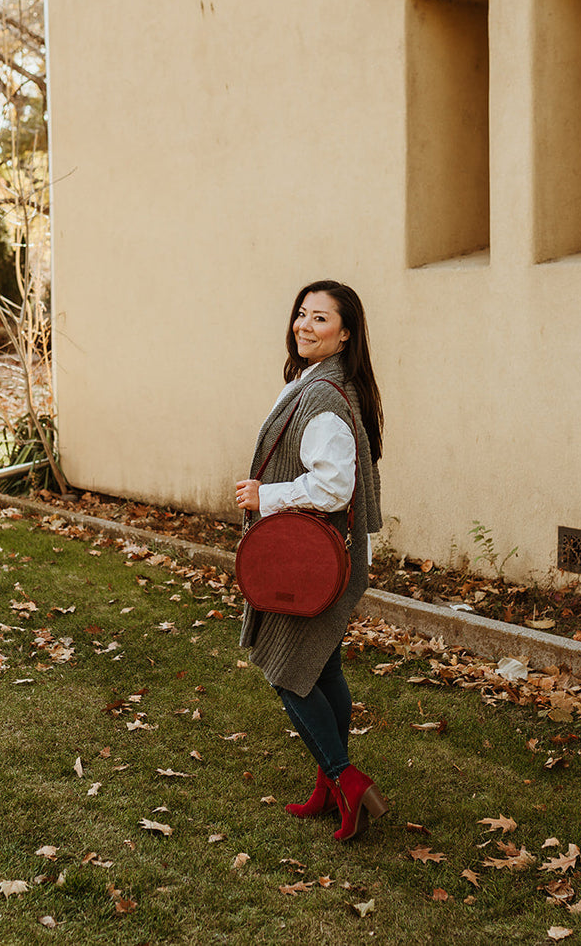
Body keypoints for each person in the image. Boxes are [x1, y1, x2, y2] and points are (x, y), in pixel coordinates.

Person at [234, 279, 387, 841]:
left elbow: (334, 487)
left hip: (313, 563)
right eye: (302, 314)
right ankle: (329, 785)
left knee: (288, 671)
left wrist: (264, 496)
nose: (305, 325)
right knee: (324, 668)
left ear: (345, 335)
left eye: (321, 319)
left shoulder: (322, 397)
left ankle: (345, 780)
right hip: (326, 558)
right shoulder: (318, 381)